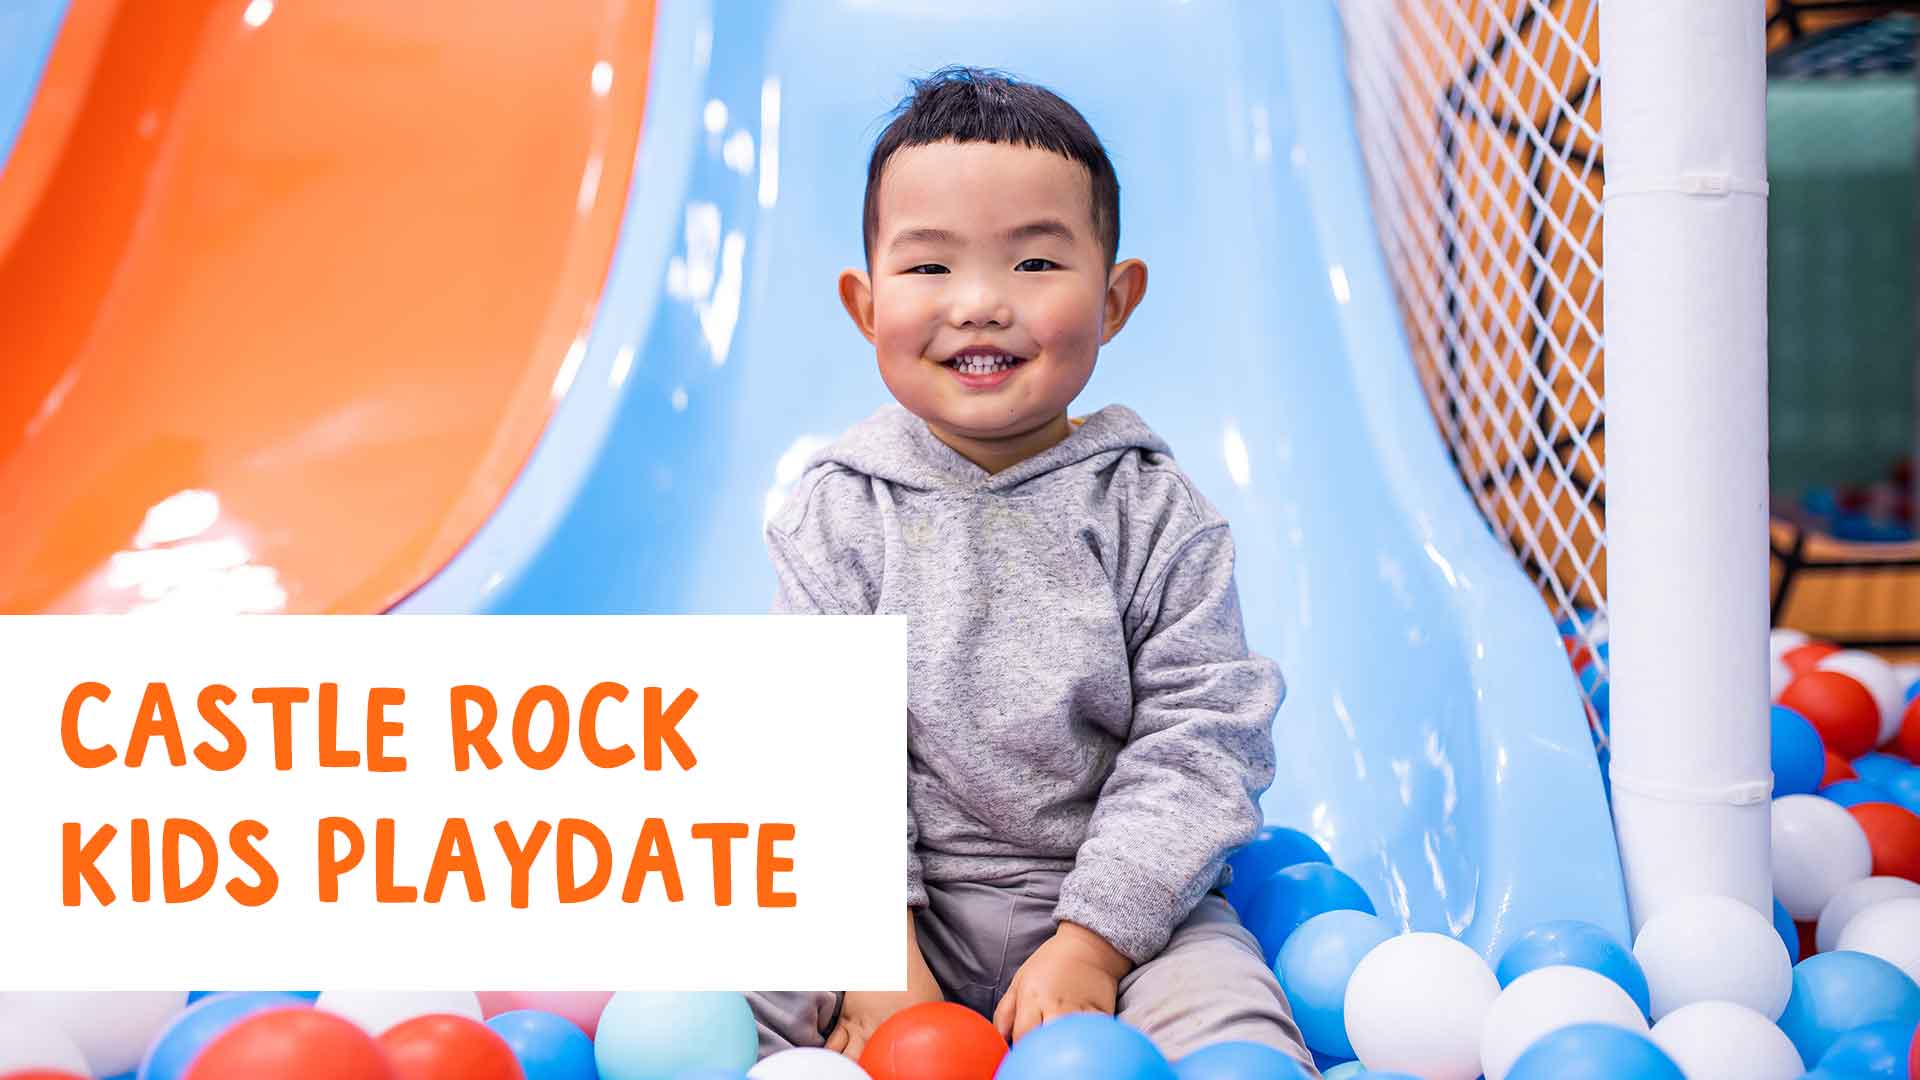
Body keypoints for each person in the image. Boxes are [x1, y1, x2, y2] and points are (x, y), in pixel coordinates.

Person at [754, 65, 1313, 1072]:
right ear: (862, 300)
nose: (979, 305)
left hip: (1117, 909)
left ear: (1117, 297)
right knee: (706, 998)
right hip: (886, 911)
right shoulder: (839, 512)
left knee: (1231, 1031)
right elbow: (815, 748)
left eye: (1033, 265)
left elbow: (1202, 740)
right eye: (929, 270)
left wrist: (1094, 944)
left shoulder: (1154, 514)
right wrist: (881, 966)